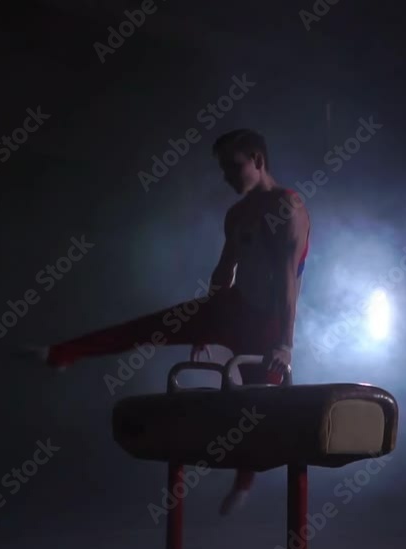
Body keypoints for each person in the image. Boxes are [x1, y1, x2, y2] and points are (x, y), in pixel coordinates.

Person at [34, 129, 310, 514]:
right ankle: (64, 353)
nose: (227, 177)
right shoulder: (237, 214)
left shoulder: (289, 207)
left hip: (268, 322)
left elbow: (287, 283)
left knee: (252, 408)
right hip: (232, 307)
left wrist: (285, 344)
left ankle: (244, 482)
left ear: (258, 161)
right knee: (150, 326)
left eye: (233, 167)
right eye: (223, 169)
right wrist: (207, 324)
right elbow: (223, 271)